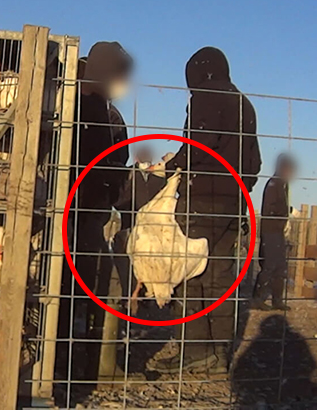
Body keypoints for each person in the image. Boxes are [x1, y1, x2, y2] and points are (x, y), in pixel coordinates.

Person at [151, 46, 261, 374]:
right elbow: (254, 163)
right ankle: (219, 353)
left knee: (190, 273)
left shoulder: (206, 95)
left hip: (202, 199)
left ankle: (194, 350)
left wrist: (172, 165)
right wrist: (238, 189)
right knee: (219, 276)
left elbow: (201, 142)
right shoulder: (244, 103)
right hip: (232, 204)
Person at [59, 43, 132, 382]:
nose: (124, 83)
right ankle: (70, 360)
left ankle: (89, 361)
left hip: (91, 209)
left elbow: (117, 156)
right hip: (77, 210)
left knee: (90, 286)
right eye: (120, 74)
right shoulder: (79, 102)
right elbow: (92, 158)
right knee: (76, 286)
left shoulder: (103, 107)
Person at [112, 146, 167, 303]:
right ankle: (130, 295)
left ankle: (148, 294)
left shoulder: (159, 177)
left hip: (154, 231)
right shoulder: (127, 174)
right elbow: (118, 201)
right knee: (128, 264)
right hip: (131, 226)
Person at [251, 153, 296, 311]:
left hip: (278, 231)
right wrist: (284, 215)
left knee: (281, 266)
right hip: (271, 231)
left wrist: (287, 213)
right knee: (269, 265)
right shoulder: (274, 184)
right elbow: (269, 209)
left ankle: (277, 300)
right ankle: (258, 298)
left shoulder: (283, 185)